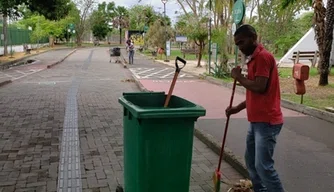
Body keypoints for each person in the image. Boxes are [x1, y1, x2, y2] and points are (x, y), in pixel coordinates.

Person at [226, 24, 284, 192]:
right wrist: (236, 108)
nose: (239, 47)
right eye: (237, 44)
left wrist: (238, 77)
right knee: (251, 162)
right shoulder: (252, 59)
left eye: (241, 42)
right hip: (256, 121)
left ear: (253, 38)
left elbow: (260, 87)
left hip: (267, 122)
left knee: (263, 166)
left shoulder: (263, 58)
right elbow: (255, 94)